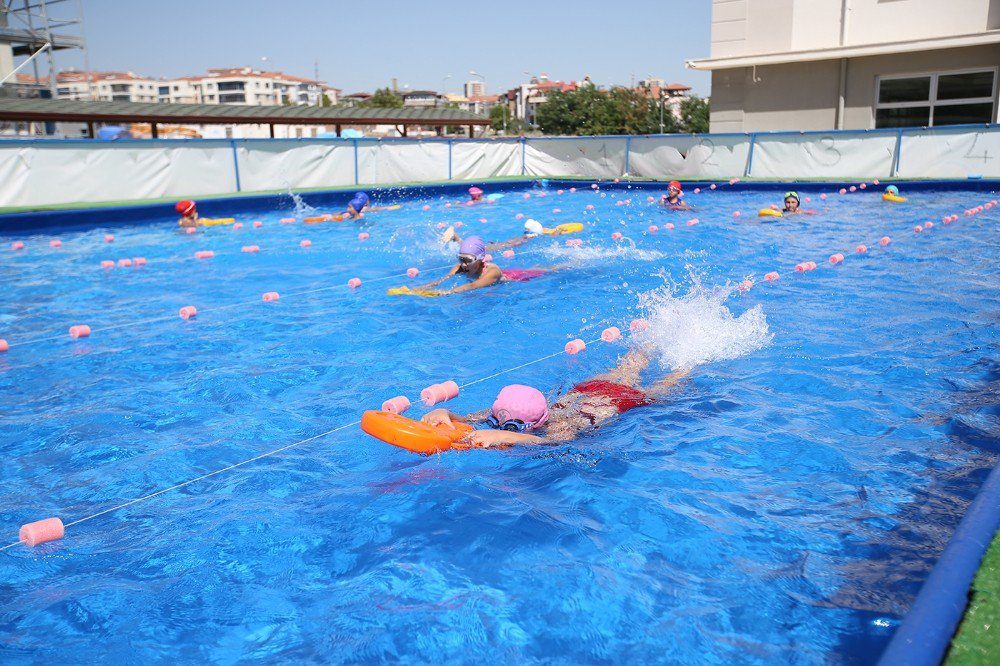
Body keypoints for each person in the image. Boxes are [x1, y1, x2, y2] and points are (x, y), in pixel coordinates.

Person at [421, 350, 688, 448]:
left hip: (619, 400)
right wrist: (446, 415)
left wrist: (507, 437)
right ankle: (646, 349)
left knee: (662, 389)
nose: (500, 428)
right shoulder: (508, 412)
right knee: (626, 369)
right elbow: (470, 418)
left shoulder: (561, 428)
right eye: (495, 421)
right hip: (587, 391)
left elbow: (548, 442)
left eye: (511, 427)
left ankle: (687, 364)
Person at [415, 236, 504, 294]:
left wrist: (446, 292)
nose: (464, 264)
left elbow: (473, 285)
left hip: (514, 278)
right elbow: (440, 281)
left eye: (468, 260)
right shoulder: (459, 268)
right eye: (461, 259)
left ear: (480, 259)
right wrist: (418, 289)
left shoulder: (493, 271)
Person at [443, 218, 546, 250]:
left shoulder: (520, 236)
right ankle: (455, 235)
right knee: (472, 249)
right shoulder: (528, 236)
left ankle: (455, 236)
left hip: (500, 244)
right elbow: (523, 239)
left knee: (470, 248)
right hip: (500, 246)